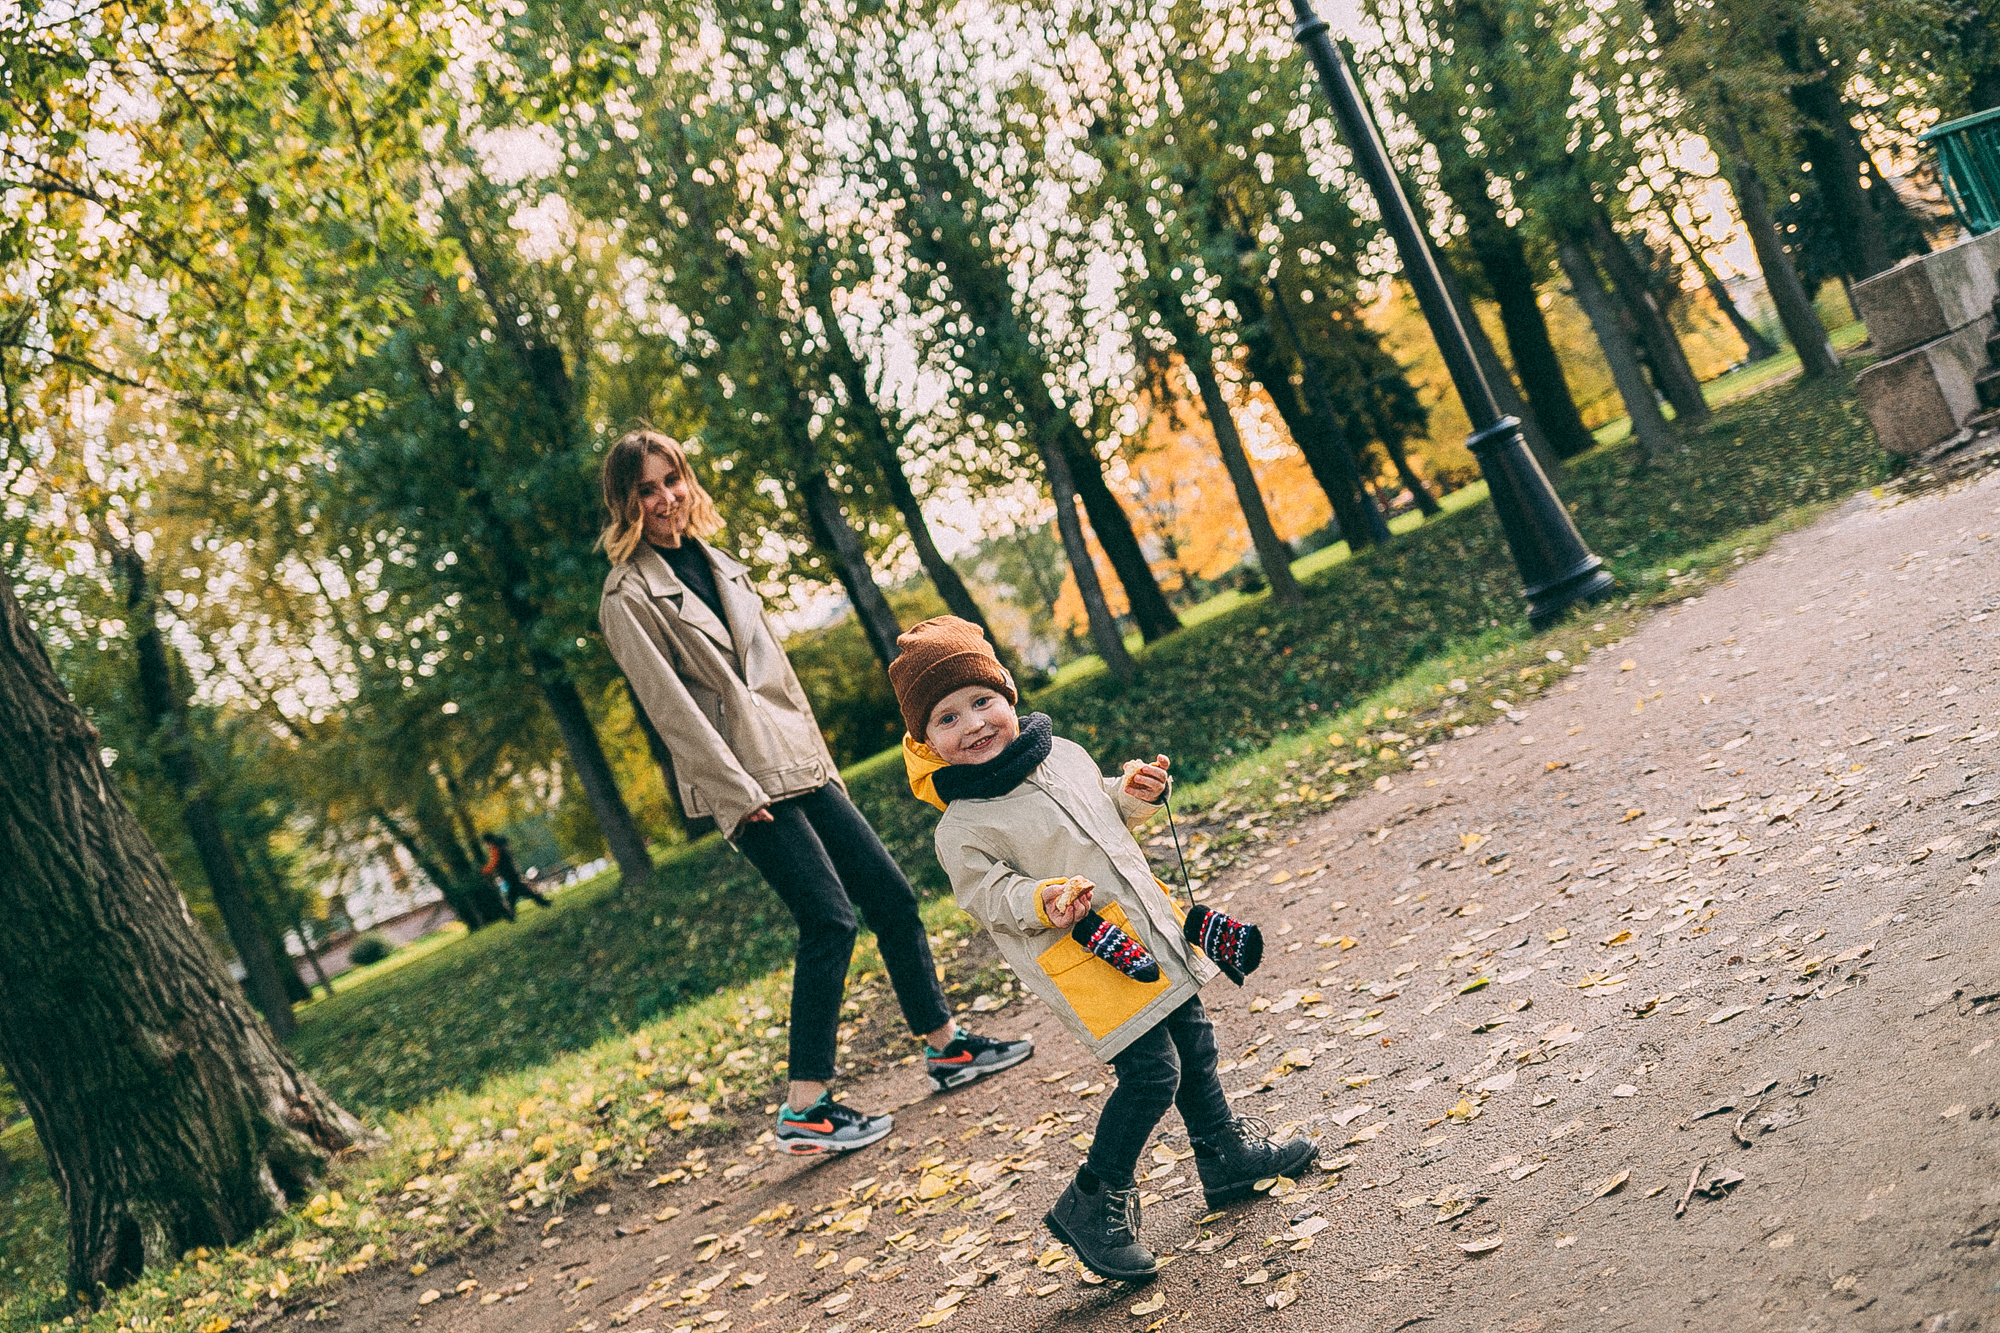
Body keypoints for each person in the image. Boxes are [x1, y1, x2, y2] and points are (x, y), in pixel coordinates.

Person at [597, 430, 1033, 1157]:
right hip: (742, 778)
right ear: (625, 501)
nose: (666, 497)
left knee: (890, 897)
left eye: (672, 479)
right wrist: (734, 795)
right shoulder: (628, 596)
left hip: (799, 761)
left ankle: (947, 1046)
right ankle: (805, 1108)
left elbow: (782, 680)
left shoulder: (721, 564)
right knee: (829, 920)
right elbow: (670, 708)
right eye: (646, 488)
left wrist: (822, 762)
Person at [889, 615, 1314, 1281]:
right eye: (946, 717)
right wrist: (1042, 898)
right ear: (926, 742)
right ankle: (1093, 1200)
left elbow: (1106, 814)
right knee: (1152, 1073)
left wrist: (1134, 794)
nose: (973, 723)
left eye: (982, 700)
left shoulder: (1067, 754)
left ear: (1007, 694)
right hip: (1091, 959)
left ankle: (1223, 1155)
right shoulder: (962, 825)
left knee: (1195, 1042)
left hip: (1152, 929)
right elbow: (988, 895)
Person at [481, 832, 551, 917]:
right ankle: (542, 902)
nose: (486, 846)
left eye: (485, 843)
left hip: (507, 873)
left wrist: (484, 870)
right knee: (517, 892)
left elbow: (494, 862)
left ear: (487, 841)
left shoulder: (495, 847)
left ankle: (511, 913)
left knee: (517, 892)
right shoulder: (501, 844)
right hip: (512, 871)